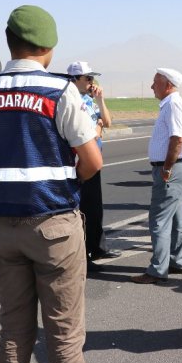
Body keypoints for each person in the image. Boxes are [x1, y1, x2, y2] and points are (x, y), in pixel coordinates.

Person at [0, 5, 102, 363]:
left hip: (2, 230)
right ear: (49, 47)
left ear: (9, 43)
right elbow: (92, 161)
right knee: (64, 335)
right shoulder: (59, 90)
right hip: (53, 225)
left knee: (13, 329)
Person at [131, 68, 182, 283]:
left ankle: (157, 269)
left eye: (155, 83)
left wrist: (166, 168)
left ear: (167, 85)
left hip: (171, 168)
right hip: (176, 167)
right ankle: (176, 260)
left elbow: (177, 139)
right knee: (176, 218)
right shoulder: (172, 104)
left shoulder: (173, 105)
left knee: (158, 220)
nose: (151, 87)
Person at [67, 61, 121, 273]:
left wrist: (100, 100)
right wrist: (97, 127)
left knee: (94, 207)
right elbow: (90, 133)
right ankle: (82, 256)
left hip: (94, 158)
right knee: (81, 210)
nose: (91, 82)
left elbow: (106, 122)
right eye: (87, 78)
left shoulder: (89, 100)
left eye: (92, 78)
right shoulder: (70, 101)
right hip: (80, 161)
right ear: (75, 80)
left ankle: (98, 247)